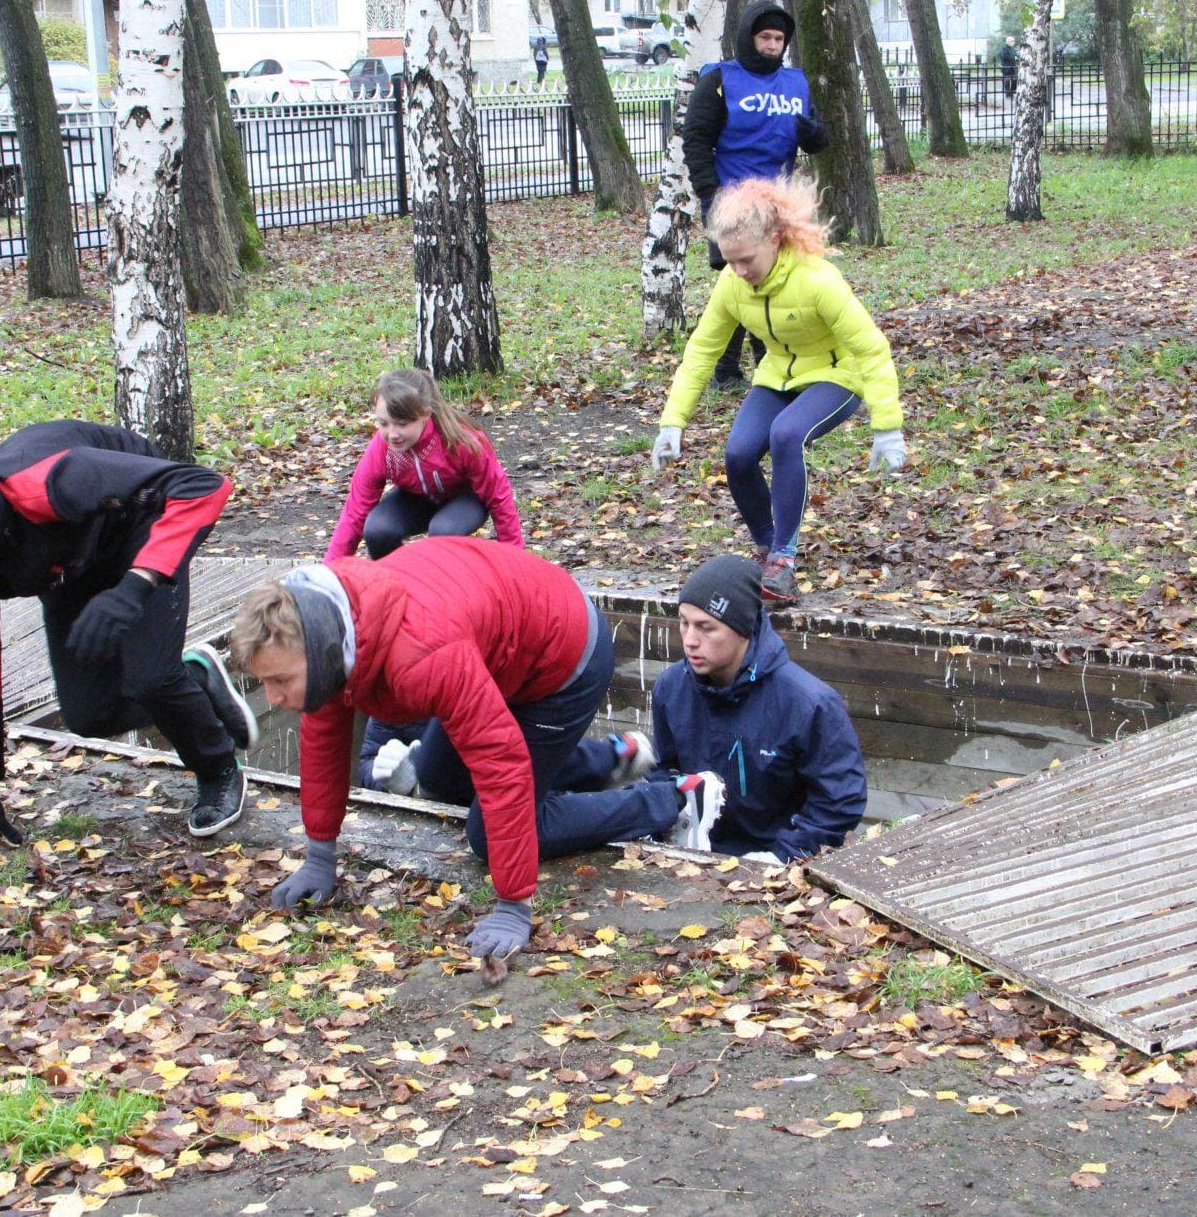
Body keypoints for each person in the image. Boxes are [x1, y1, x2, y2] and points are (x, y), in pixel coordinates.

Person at [228, 539, 722, 978]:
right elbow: (323, 736)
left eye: (280, 681)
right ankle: (612, 758)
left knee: (489, 831)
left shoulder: (421, 655)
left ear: (323, 654)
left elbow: (500, 761)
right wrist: (320, 856)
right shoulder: (330, 623)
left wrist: (513, 904)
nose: (272, 698)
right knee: (439, 778)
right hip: (493, 647)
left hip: (562, 655)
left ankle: (673, 799)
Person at [0, 420, 254, 846]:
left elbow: (203, 486)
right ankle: (197, 679)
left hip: (139, 530)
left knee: (151, 677)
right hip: (70, 563)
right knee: (88, 716)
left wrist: (133, 588)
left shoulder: (51, 481)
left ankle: (218, 769)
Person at [650, 176, 907, 604]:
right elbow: (701, 352)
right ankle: (769, 548)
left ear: (775, 239)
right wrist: (673, 421)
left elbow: (870, 348)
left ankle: (784, 559)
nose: (739, 271)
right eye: (730, 261)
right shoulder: (732, 285)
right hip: (777, 376)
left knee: (786, 434)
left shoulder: (816, 279)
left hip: (836, 374)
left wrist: (888, 427)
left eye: (747, 259)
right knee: (738, 453)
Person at [648, 555, 866, 862]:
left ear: (742, 629)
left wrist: (784, 856)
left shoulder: (809, 702)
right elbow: (662, 769)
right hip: (688, 854)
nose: (690, 641)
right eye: (684, 623)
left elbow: (840, 801)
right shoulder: (671, 687)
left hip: (776, 858)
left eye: (706, 627)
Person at [680, 0, 828, 390]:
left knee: (775, 279)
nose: (772, 45)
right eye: (765, 37)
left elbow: (817, 136)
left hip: (779, 204)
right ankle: (726, 370)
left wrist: (814, 135)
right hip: (730, 198)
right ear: (749, 37)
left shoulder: (796, 83)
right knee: (737, 279)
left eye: (779, 38)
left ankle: (771, 363)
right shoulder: (719, 80)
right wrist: (709, 194)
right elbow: (695, 139)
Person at [327, 368, 524, 562]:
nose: (392, 434)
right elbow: (355, 510)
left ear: (425, 414)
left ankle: (452, 587)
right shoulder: (382, 449)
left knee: (443, 532)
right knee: (377, 529)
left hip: (466, 500)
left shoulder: (460, 441)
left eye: (402, 424)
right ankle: (398, 585)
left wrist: (515, 560)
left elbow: (499, 496)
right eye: (384, 424)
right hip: (418, 499)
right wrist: (330, 571)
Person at [997, 34, 1020, 100]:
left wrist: (1017, 57)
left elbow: (1016, 54)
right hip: (1006, 67)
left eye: (1014, 41)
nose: (1013, 42)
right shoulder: (1004, 48)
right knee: (1007, 81)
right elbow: (1004, 56)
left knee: (1014, 80)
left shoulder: (1012, 49)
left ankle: (1012, 92)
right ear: (1008, 41)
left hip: (1013, 67)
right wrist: (1014, 58)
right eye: (1012, 41)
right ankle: (1007, 93)